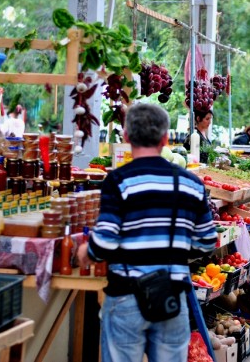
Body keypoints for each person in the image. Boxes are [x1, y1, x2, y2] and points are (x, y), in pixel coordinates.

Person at [77, 103, 217, 362]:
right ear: (165, 138)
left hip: (125, 297)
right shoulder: (191, 184)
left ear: (127, 136)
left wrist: (86, 251)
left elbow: (105, 242)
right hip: (172, 297)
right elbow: (207, 242)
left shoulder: (118, 181)